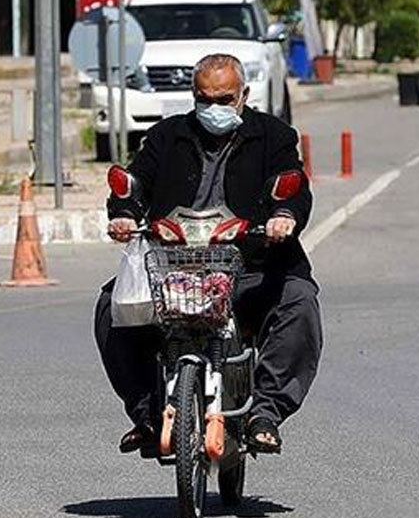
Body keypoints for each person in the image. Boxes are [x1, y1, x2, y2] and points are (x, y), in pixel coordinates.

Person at [94, 53, 323, 455]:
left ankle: (265, 412)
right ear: (193, 96)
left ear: (243, 96)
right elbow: (136, 183)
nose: (214, 108)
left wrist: (283, 217)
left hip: (252, 266)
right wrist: (125, 216)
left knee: (298, 302)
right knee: (112, 308)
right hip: (173, 269)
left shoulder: (273, 135)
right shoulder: (168, 136)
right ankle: (148, 414)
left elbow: (293, 185)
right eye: (205, 99)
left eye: (224, 99)